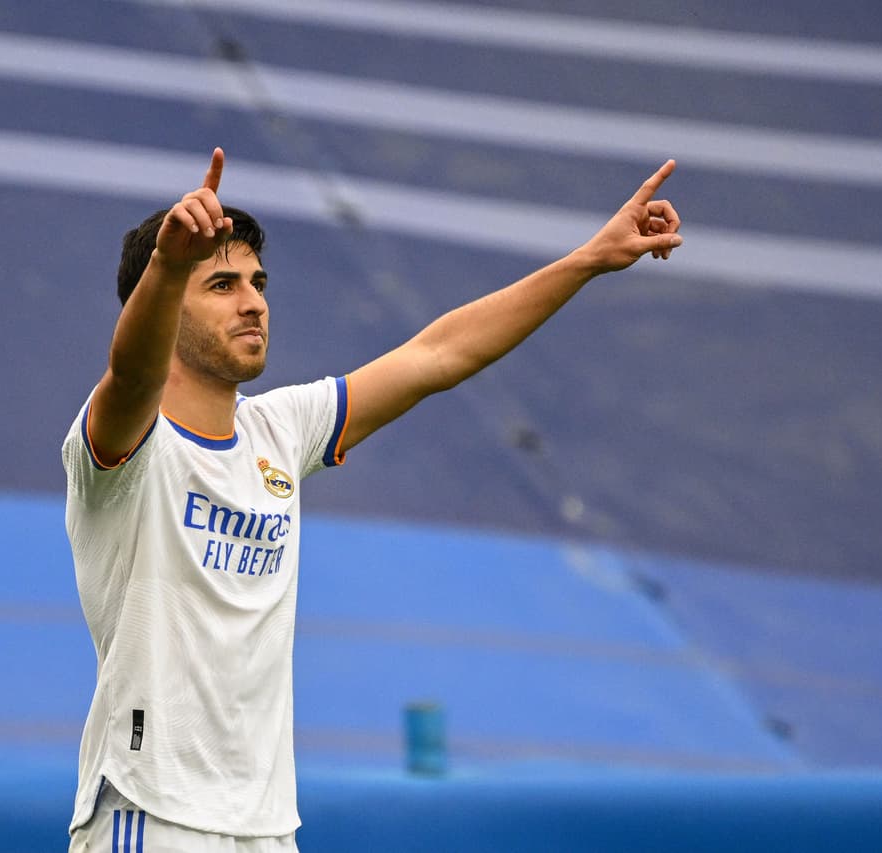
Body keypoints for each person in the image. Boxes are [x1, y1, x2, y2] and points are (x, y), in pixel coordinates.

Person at [63, 148, 682, 851]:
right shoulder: (124, 445)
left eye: (259, 282)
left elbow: (437, 356)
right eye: (223, 284)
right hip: (151, 815)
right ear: (168, 299)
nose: (254, 301)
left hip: (266, 827)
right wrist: (169, 264)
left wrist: (589, 259)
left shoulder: (280, 428)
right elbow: (131, 371)